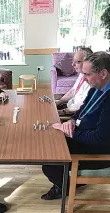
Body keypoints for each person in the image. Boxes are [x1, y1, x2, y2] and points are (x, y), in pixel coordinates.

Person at [42, 51, 110, 200]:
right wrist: (71, 121)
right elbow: (81, 110)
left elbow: (99, 138)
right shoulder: (96, 87)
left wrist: (71, 133)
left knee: (49, 159)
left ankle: (65, 186)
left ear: (103, 73)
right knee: (48, 142)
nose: (83, 80)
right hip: (82, 133)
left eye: (87, 74)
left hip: (99, 149)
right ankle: (66, 182)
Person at [56, 48, 93, 116]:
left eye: (78, 62)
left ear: (88, 62)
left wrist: (62, 112)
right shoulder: (81, 75)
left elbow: (82, 104)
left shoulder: (92, 81)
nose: (73, 64)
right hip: (69, 106)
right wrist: (58, 102)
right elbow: (73, 91)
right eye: (73, 61)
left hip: (75, 114)